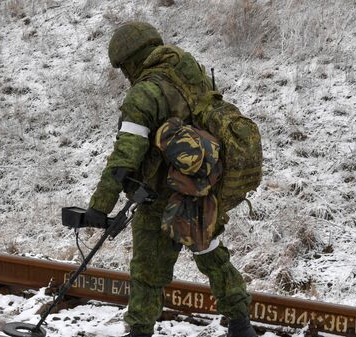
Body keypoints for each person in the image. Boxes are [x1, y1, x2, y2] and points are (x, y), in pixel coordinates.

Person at [84, 21, 258, 337]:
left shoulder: (144, 93)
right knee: (212, 255)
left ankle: (139, 331)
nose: (125, 74)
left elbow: (125, 157)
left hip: (159, 196)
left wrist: (99, 207)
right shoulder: (190, 74)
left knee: (147, 272)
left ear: (131, 60)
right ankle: (241, 325)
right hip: (200, 188)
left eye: (123, 67)